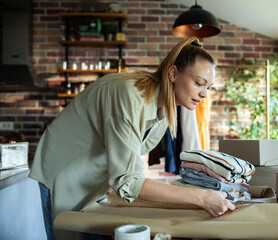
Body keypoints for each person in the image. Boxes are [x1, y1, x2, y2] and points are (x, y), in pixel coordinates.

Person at [29, 37, 236, 240]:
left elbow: (129, 157)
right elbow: (128, 180)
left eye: (208, 87)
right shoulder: (129, 95)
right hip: (60, 174)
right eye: (199, 83)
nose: (204, 94)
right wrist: (201, 198)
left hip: (92, 184)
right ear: (173, 73)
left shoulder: (163, 110)